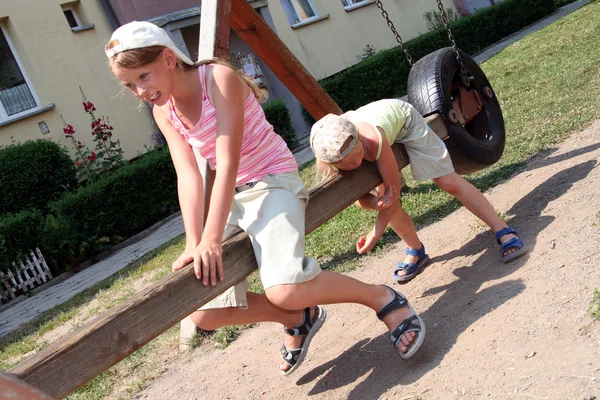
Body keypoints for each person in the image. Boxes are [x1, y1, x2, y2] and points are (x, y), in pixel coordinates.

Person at [105, 21, 426, 375]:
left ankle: (383, 299)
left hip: (270, 180)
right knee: (201, 308)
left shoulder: (217, 80)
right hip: (229, 200)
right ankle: (296, 318)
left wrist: (212, 238)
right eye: (130, 84)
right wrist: (194, 242)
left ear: (168, 59)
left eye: (143, 77)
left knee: (285, 287)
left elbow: (227, 160)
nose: (139, 90)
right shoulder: (164, 111)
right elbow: (189, 176)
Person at [310, 99, 527, 282]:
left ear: (359, 139)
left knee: (447, 181)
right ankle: (415, 250)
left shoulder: (372, 139)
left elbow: (393, 193)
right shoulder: (331, 162)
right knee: (388, 208)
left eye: (357, 155)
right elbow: (360, 199)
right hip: (372, 132)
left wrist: (375, 233)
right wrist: (377, 204)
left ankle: (501, 229)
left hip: (405, 121)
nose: (356, 164)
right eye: (347, 164)